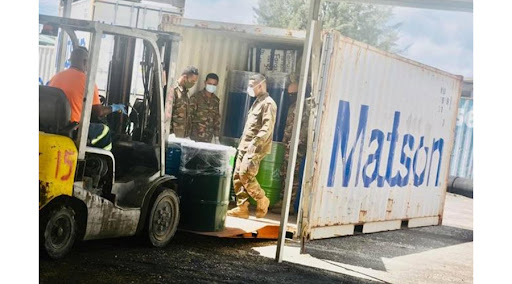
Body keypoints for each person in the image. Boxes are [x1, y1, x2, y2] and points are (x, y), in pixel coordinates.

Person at [49, 46, 127, 150]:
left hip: (52, 127)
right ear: (86, 62)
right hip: (73, 129)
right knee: (105, 130)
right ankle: (104, 163)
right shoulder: (88, 82)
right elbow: (98, 112)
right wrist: (115, 107)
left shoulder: (56, 77)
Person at [227, 74, 277, 219]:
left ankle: (262, 199)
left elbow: (267, 127)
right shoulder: (257, 102)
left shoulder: (268, 103)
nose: (250, 89)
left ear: (260, 85)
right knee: (237, 176)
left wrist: (255, 143)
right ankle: (242, 207)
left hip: (255, 147)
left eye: (251, 86)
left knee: (246, 174)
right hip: (244, 146)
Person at [272, 76, 310, 215]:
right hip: (288, 146)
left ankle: (290, 204)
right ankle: (283, 200)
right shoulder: (293, 106)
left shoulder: (305, 106)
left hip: (297, 148)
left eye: (292, 94)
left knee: (293, 174)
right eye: (289, 94)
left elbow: (305, 126)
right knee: (285, 173)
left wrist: (298, 141)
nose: (290, 96)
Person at [189, 73, 221, 143]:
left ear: (217, 84)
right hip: (194, 137)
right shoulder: (196, 98)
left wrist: (216, 137)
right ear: (205, 82)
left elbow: (216, 120)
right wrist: (187, 135)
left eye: (214, 84)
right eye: (209, 83)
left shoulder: (216, 100)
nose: (211, 86)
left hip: (208, 138)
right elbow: (189, 117)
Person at [170, 66, 199, 138]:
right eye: (192, 81)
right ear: (185, 77)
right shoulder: (174, 91)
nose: (193, 84)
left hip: (182, 137)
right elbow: (168, 115)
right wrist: (170, 133)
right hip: (173, 136)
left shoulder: (186, 93)